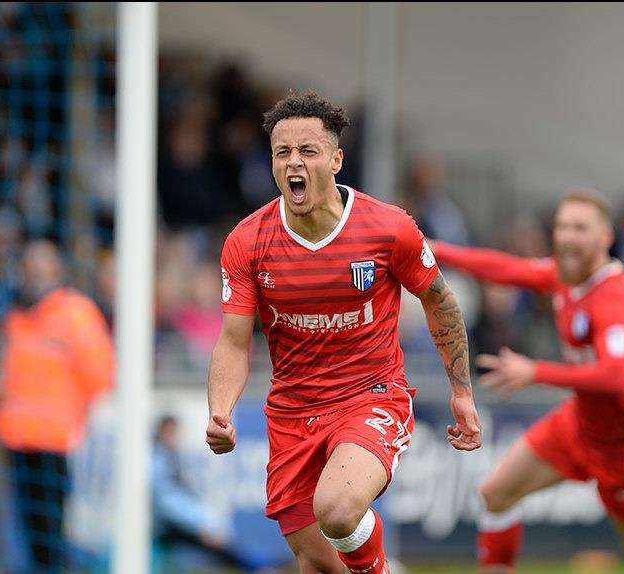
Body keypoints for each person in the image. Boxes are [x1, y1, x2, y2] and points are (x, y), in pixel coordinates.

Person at [205, 91, 482, 574]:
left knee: (336, 508)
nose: (294, 163)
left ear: (335, 160)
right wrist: (220, 411)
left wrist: (461, 391)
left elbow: (440, 300)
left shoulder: (388, 228)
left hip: (370, 397)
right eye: (282, 153)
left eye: (307, 152)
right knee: (320, 564)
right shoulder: (247, 242)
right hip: (293, 412)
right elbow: (233, 340)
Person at [431, 190, 624, 573]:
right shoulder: (565, 276)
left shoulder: (613, 298)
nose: (567, 236)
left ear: (605, 237)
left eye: (580, 228)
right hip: (576, 426)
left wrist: (535, 372)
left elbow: (618, 377)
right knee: (495, 493)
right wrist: (436, 250)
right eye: (562, 226)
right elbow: (505, 269)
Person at [0, 240, 114, 572]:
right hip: (17, 440)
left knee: (54, 534)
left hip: (59, 443)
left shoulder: (75, 313)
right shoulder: (16, 316)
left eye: (42, 267)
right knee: (29, 535)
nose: (35, 275)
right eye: (30, 267)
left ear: (56, 270)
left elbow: (101, 374)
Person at [152, 415, 249, 570]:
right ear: (161, 432)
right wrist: (201, 527)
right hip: (165, 526)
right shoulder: (156, 460)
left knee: (226, 551)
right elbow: (167, 503)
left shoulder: (168, 457)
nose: (175, 438)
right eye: (171, 433)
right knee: (224, 550)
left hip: (175, 525)